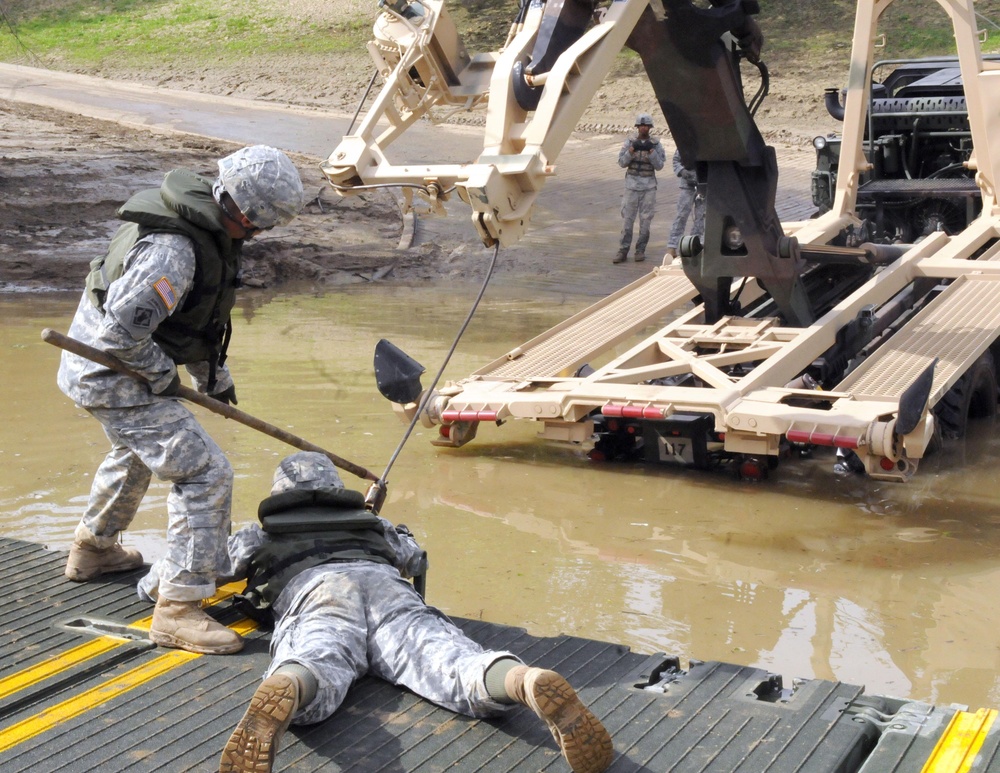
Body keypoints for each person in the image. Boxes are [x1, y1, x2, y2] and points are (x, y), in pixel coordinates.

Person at [135, 452, 614, 773]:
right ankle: (521, 681)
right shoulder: (373, 525)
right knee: (450, 662)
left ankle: (290, 685)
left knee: (319, 657)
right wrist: (383, 521)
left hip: (316, 593)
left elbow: (196, 566)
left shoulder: (259, 533)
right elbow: (415, 558)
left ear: (281, 494)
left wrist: (149, 583)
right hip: (386, 588)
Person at [57, 145, 306, 656]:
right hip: (109, 371)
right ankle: (178, 609)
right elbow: (118, 338)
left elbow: (193, 322)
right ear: (244, 213)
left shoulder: (208, 232)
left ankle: (92, 549)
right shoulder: (174, 252)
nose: (260, 236)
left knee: (137, 452)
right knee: (205, 472)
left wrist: (212, 378)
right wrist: (165, 377)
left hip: (109, 368)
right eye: (262, 227)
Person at [614, 112, 666, 264]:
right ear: (637, 127)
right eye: (641, 125)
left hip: (649, 186)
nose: (644, 128)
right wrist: (631, 151)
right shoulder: (629, 142)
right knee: (627, 221)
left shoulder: (655, 144)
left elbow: (660, 165)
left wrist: (652, 153)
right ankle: (623, 250)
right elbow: (621, 163)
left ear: (650, 128)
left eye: (646, 126)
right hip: (631, 185)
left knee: (645, 221)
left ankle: (640, 250)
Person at [666, 148, 705, 261]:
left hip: (704, 184)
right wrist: (682, 171)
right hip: (687, 185)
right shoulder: (685, 143)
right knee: (681, 215)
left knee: (701, 217)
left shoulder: (709, 143)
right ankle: (672, 246)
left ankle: (695, 245)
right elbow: (676, 160)